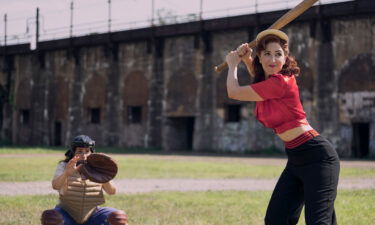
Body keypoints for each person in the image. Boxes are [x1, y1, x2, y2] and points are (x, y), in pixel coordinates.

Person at [225, 29, 340, 225]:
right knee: (276, 219)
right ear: (260, 57)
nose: (273, 59)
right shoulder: (270, 83)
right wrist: (246, 59)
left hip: (318, 157)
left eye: (278, 54)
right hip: (295, 159)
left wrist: (232, 65)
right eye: (267, 54)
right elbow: (260, 78)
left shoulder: (282, 82)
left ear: (285, 57)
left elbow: (234, 92)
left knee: (318, 222)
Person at [40, 135, 128, 225]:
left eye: (87, 151)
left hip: (92, 214)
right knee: (51, 218)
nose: (84, 155)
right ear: (73, 152)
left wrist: (103, 175)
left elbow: (112, 192)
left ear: (92, 152)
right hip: (67, 213)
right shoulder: (64, 165)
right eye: (80, 151)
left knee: (118, 218)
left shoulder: (97, 167)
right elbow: (56, 186)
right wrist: (66, 173)